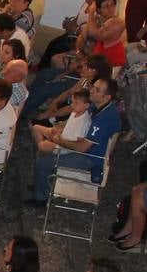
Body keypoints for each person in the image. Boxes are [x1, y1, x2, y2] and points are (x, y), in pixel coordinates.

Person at [26, 78, 121, 207]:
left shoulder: (105, 118)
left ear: (107, 97)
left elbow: (82, 148)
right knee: (44, 147)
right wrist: (59, 126)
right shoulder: (97, 104)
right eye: (93, 86)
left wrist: (59, 140)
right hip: (83, 146)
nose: (91, 90)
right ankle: (41, 183)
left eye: (97, 90)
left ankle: (40, 198)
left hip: (90, 158)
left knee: (42, 162)